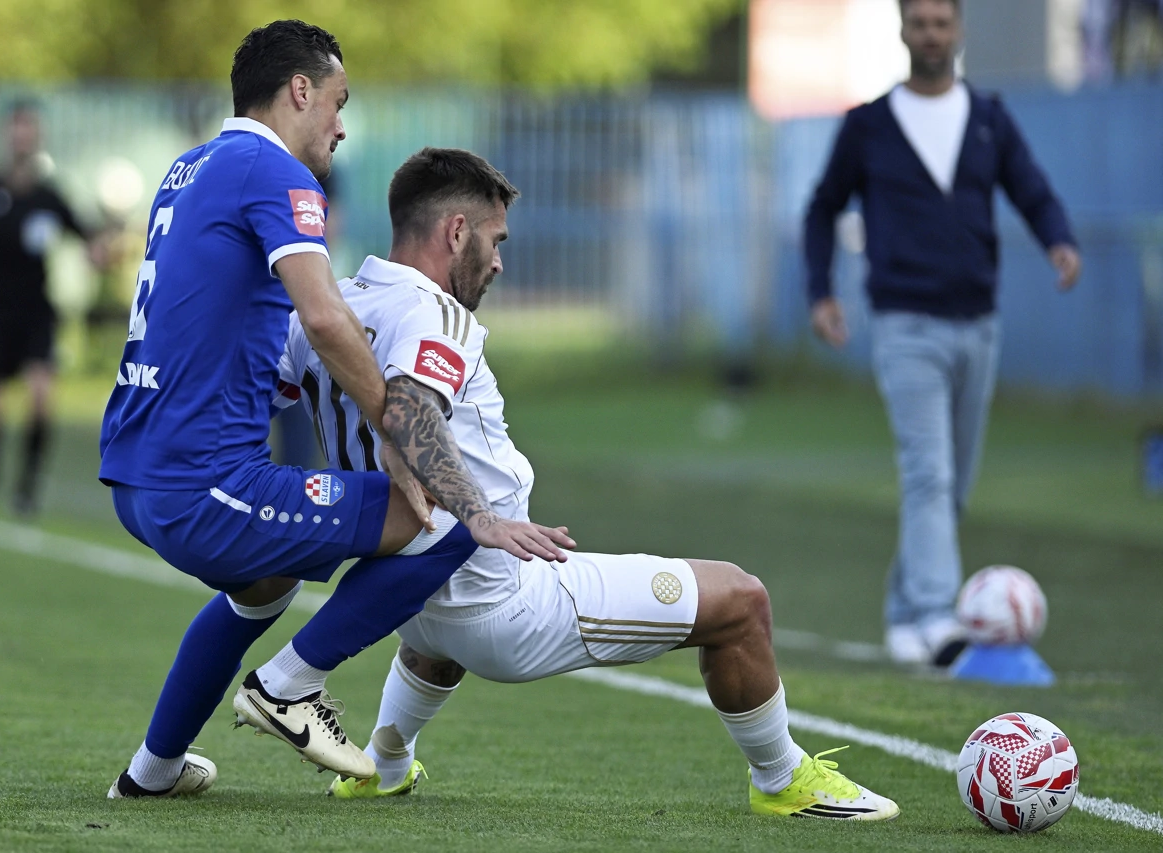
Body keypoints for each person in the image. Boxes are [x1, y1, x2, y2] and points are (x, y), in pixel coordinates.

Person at [274, 147, 899, 821]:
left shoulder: (332, 307)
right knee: (741, 601)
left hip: (408, 593)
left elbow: (270, 392)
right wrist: (481, 515)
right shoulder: (440, 315)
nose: (500, 261)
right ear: (457, 232)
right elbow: (410, 406)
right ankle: (782, 779)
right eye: (496, 239)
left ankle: (383, 766)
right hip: (499, 602)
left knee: (437, 631)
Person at [98, 21, 573, 799]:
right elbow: (323, 316)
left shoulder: (190, 166)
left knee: (265, 586)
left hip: (133, 474)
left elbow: (225, 318)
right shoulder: (277, 173)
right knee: (449, 515)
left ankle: (151, 772)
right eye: (339, 102)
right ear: (299, 91)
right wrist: (397, 430)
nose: (342, 126)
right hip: (201, 486)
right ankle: (287, 687)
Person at [803, 0, 1080, 667]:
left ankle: (904, 615)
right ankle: (937, 615)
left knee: (953, 484)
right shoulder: (869, 126)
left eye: (941, 22)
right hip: (906, 325)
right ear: (902, 28)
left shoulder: (988, 119)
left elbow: (1032, 189)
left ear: (958, 30)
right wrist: (822, 291)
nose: (930, 33)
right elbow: (822, 209)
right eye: (919, 21)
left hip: (979, 324)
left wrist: (1059, 242)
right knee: (928, 472)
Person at [0, 101, 103, 516]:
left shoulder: (50, 196)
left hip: (36, 311)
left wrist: (104, 249)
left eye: (28, 130)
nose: (21, 137)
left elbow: (88, 241)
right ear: (6, 135)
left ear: (37, 137)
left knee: (39, 396)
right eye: (15, 129)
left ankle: (27, 485)